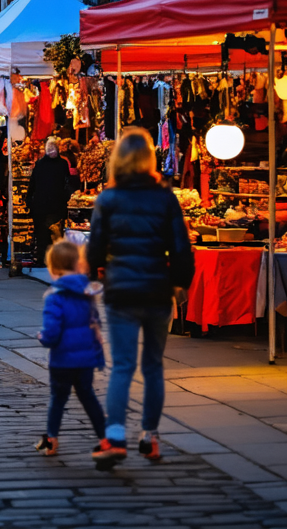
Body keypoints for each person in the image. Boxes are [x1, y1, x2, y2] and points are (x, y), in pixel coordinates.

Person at [87, 128, 194, 468]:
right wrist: (180, 282)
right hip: (157, 289)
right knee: (153, 365)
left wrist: (93, 277)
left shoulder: (108, 199)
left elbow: (95, 249)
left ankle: (115, 435)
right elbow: (180, 246)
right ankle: (150, 435)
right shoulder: (164, 197)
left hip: (121, 290)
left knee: (122, 365)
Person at [34, 240, 107, 456]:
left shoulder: (54, 297)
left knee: (58, 399)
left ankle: (52, 439)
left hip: (62, 359)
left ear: (52, 269)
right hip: (85, 359)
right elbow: (96, 323)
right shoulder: (88, 293)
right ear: (77, 264)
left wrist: (43, 337)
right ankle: (104, 438)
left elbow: (52, 331)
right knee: (88, 396)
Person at [26, 138, 72, 268]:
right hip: (48, 205)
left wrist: (29, 200)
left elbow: (66, 183)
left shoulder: (49, 164)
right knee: (47, 234)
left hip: (49, 205)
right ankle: (46, 258)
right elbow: (33, 183)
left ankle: (49, 259)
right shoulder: (43, 164)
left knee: (50, 234)